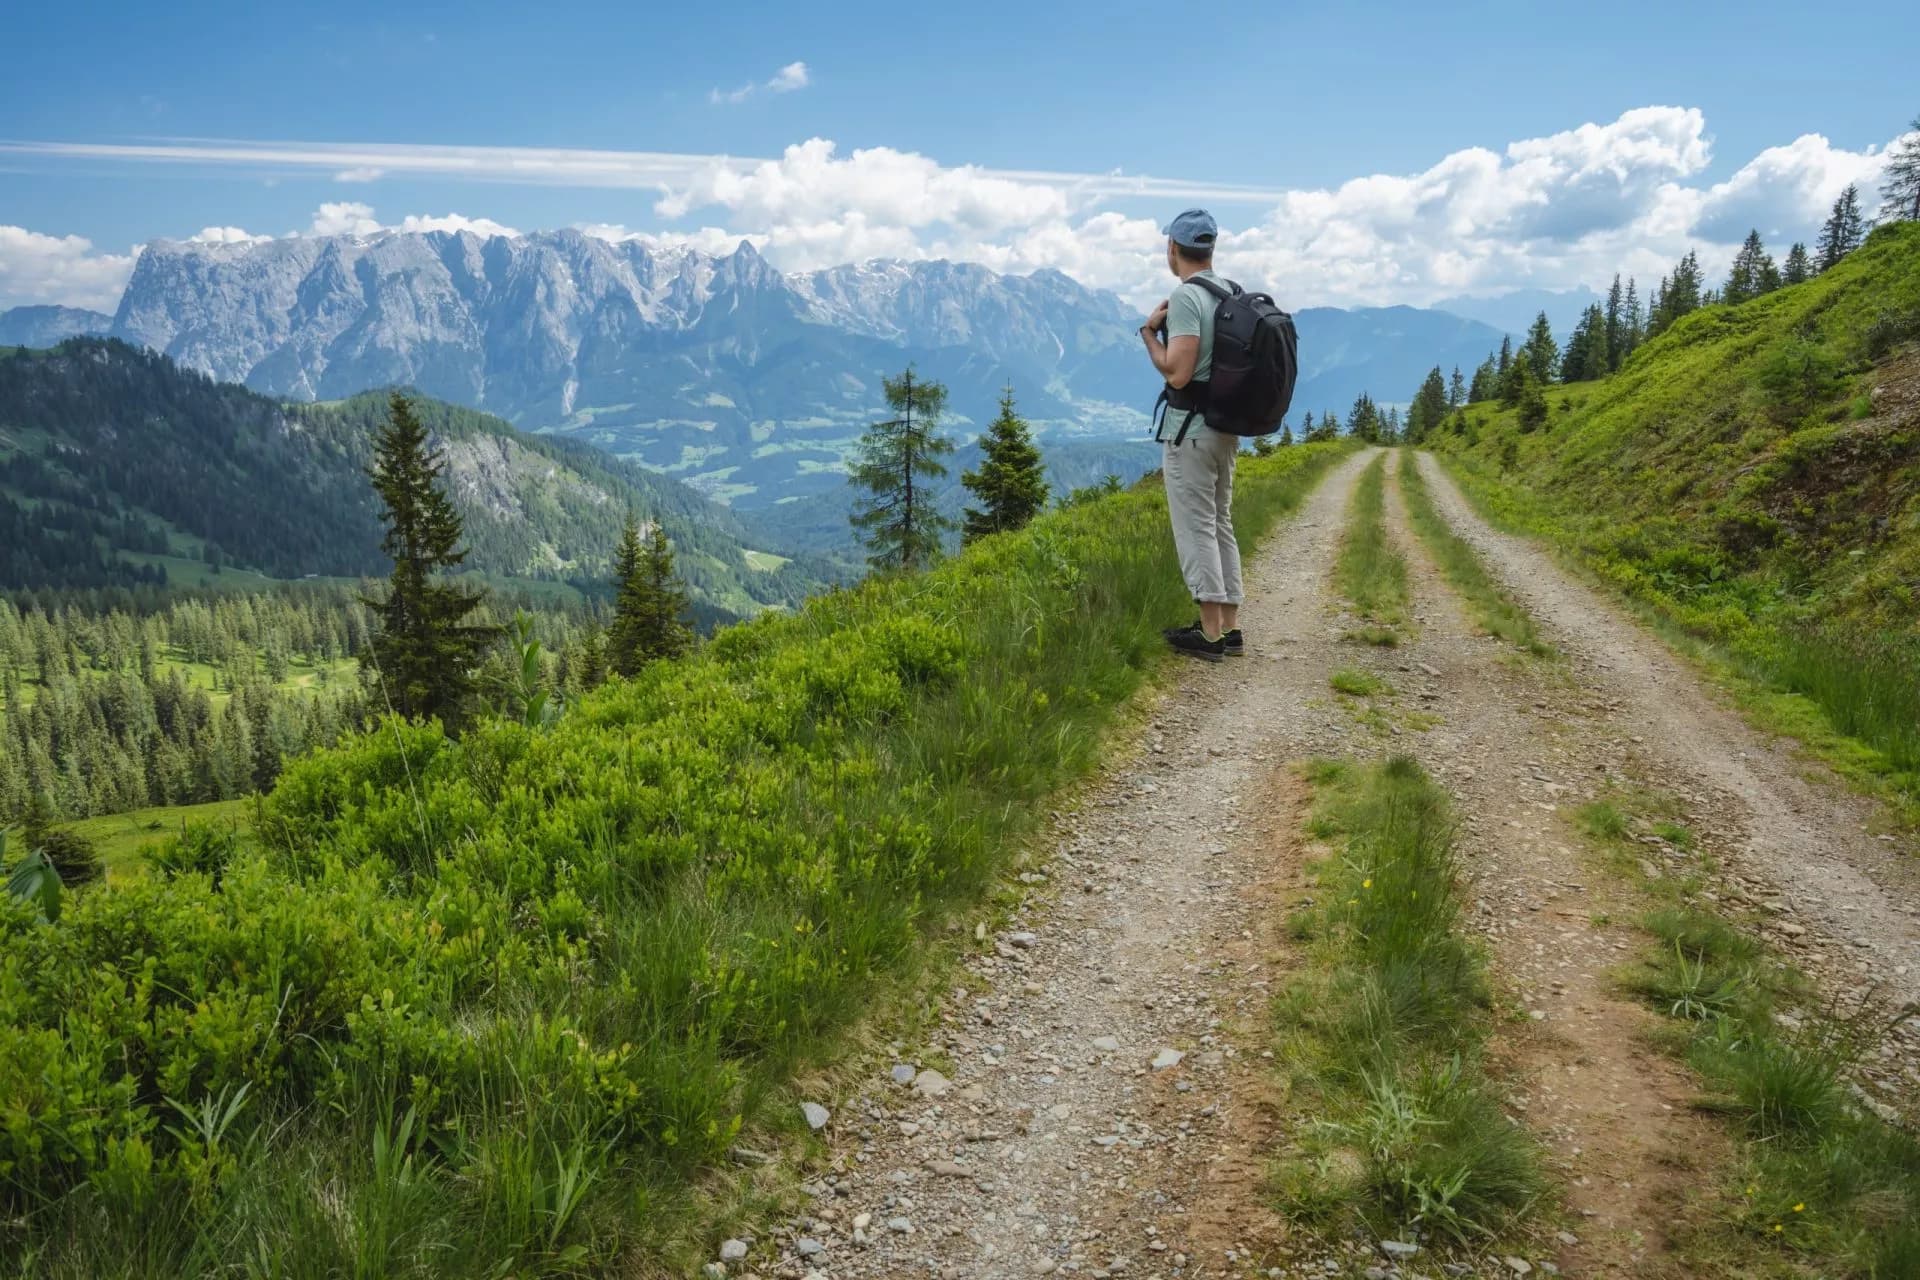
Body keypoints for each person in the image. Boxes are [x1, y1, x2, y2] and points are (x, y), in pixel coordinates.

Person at [1138, 208, 1243, 663]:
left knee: (1196, 526)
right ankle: (1230, 629)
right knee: (1221, 522)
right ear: (1212, 249)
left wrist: (1148, 334)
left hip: (1190, 432)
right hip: (1224, 428)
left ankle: (1209, 634)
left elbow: (1178, 373)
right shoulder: (1231, 294)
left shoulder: (1186, 298)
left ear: (1173, 250)